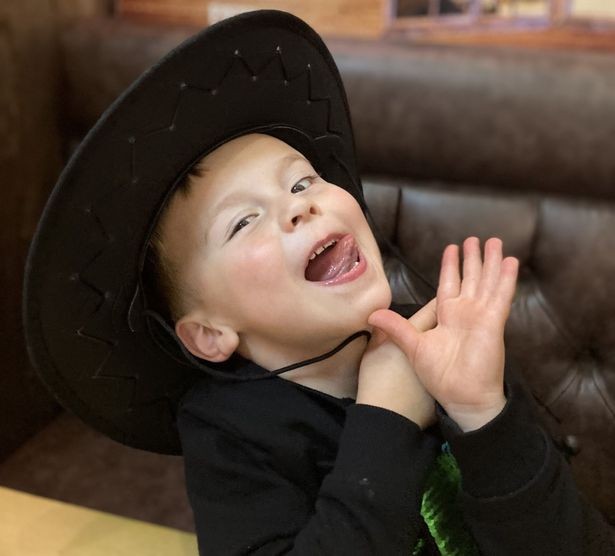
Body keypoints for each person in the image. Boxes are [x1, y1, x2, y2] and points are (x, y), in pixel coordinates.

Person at [23, 9, 614, 556]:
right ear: (209, 333)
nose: (298, 207)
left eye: (303, 182)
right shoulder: (228, 433)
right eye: (243, 220)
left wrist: (481, 408)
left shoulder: (449, 340)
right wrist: (389, 417)